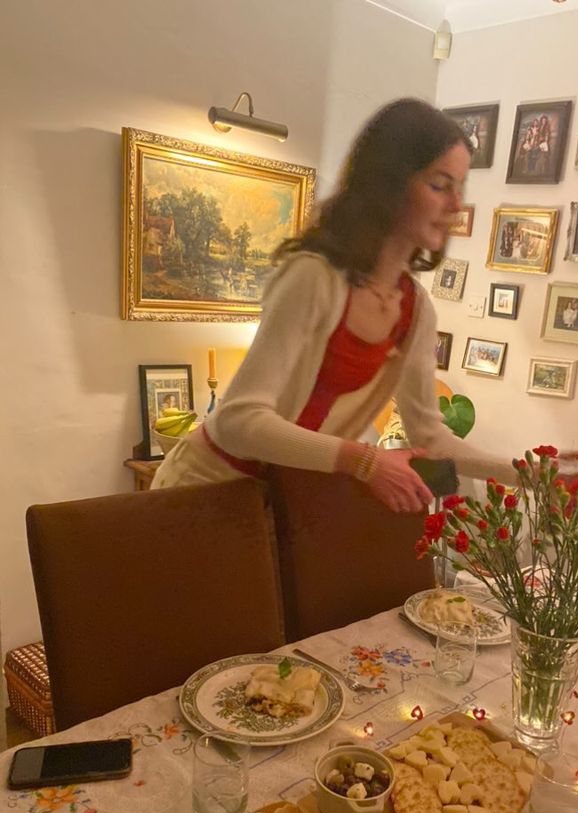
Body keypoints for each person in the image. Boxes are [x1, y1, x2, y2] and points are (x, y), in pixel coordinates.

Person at [151, 98, 516, 511]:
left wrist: (527, 471)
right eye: (439, 185)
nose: (456, 206)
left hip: (284, 504)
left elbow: (429, 435)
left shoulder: (415, 309)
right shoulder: (313, 278)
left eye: (459, 188)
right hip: (205, 489)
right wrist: (364, 460)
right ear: (390, 185)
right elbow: (238, 420)